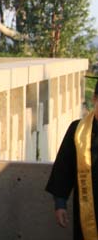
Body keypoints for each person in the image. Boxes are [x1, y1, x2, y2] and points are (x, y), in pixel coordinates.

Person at [46, 86, 98, 240]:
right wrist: (60, 204)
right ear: (95, 99)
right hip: (88, 211)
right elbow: (64, 168)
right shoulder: (78, 130)